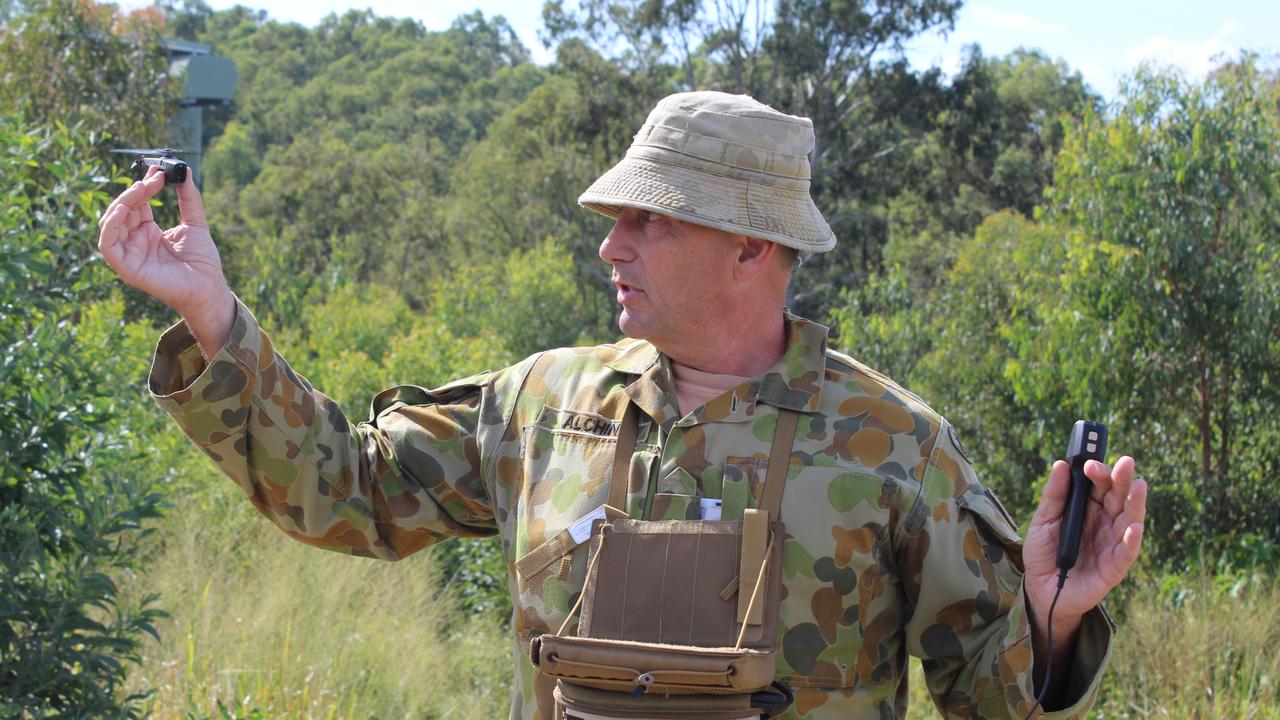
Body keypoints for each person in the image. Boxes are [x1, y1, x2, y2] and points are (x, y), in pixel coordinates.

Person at [97, 91, 1146, 719]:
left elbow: (987, 701)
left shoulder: (892, 447)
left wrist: (1047, 622)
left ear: (751, 246)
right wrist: (213, 316)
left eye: (649, 221)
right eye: (614, 219)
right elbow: (344, 489)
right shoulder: (542, 401)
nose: (610, 245)